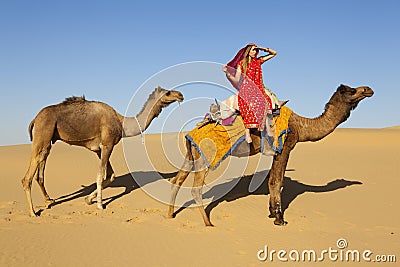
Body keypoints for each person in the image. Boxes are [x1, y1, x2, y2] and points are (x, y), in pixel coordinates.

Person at [222, 43, 277, 143]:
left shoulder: (258, 61)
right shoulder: (241, 64)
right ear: (248, 52)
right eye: (252, 50)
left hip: (258, 89)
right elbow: (237, 79)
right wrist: (228, 73)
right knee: (251, 104)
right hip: (246, 89)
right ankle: (247, 132)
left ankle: (267, 127)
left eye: (256, 50)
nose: (255, 52)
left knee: (266, 101)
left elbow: (274, 53)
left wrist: (263, 48)